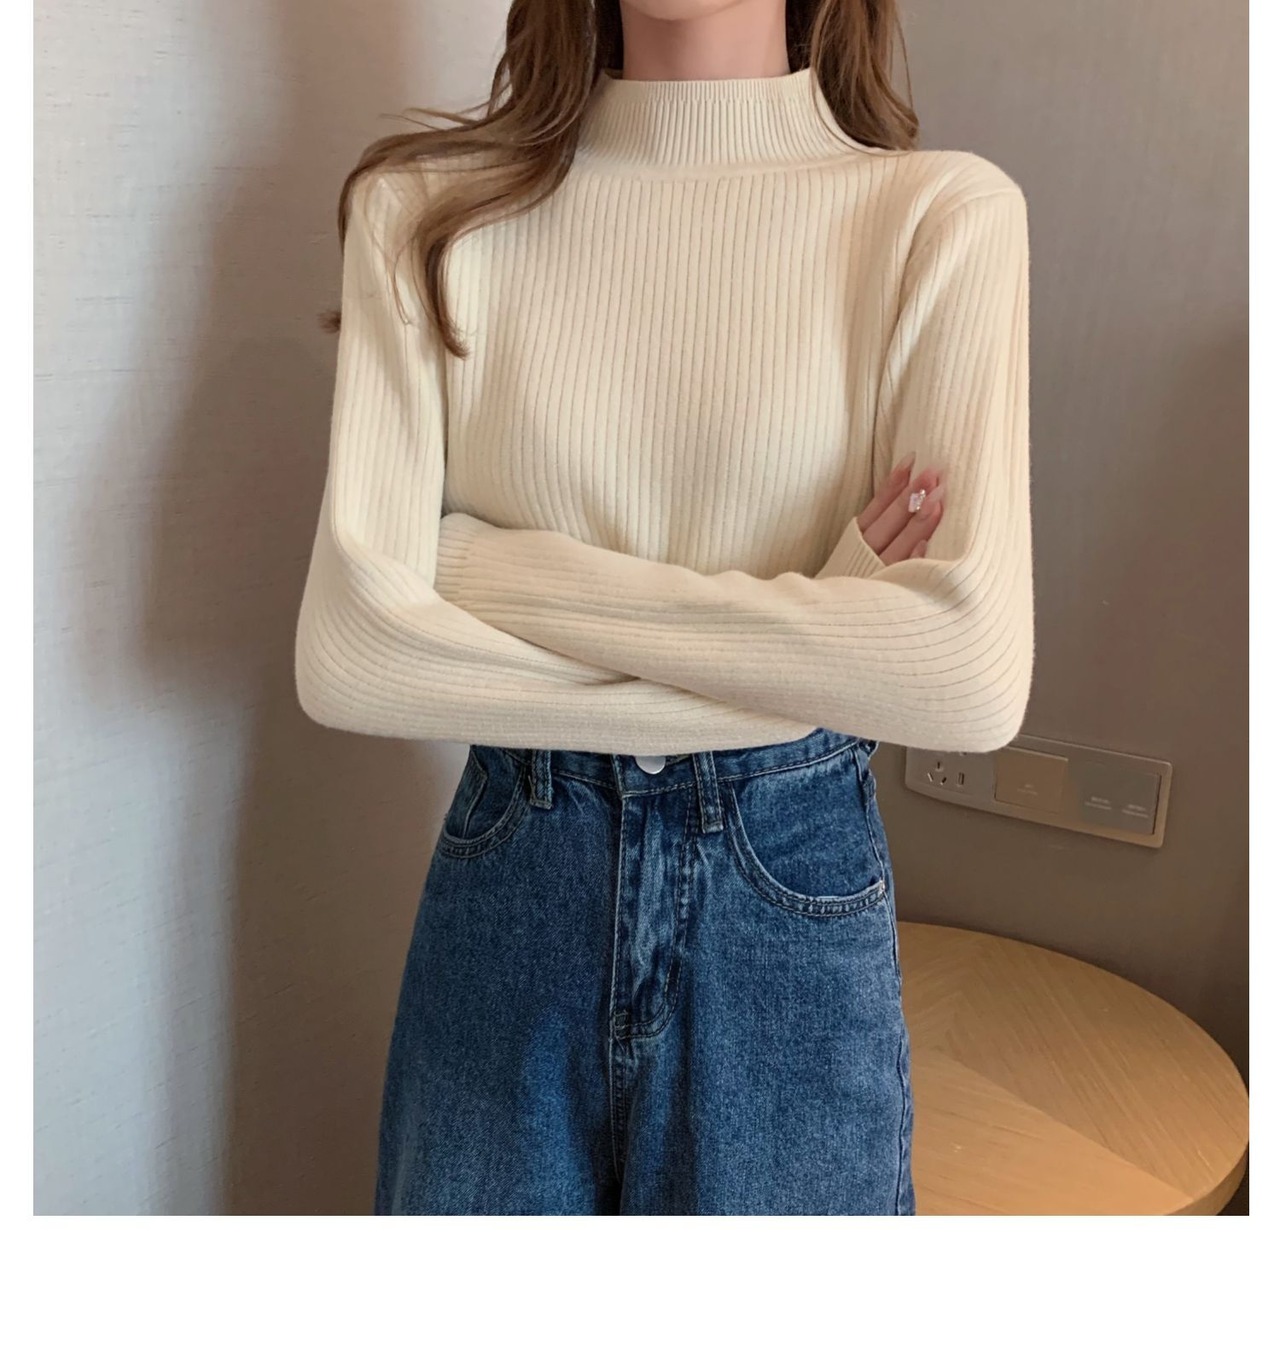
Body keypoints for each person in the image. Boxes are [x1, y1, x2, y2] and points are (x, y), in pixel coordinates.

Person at [294, 0, 1034, 1214]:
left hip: (782, 905)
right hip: (514, 885)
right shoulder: (424, 214)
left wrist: (481, 569)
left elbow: (963, 677)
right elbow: (352, 656)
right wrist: (828, 616)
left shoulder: (935, 219)